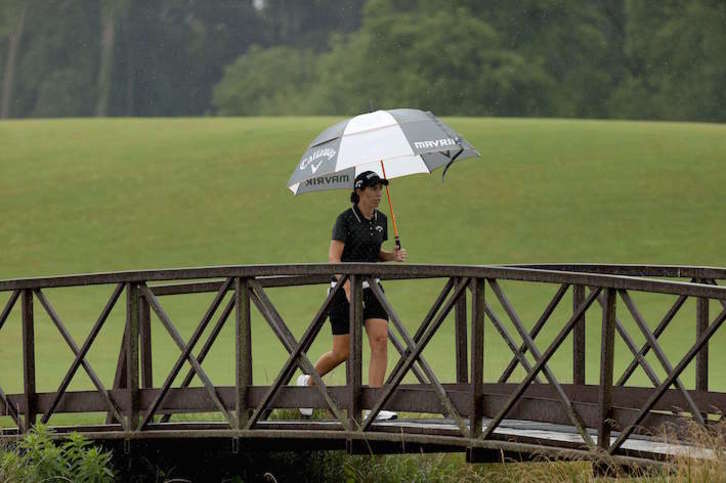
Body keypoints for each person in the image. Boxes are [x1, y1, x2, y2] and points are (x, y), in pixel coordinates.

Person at [297, 170, 408, 420]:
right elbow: (334, 258)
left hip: (373, 288)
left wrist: (392, 256)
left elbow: (374, 252)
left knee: (380, 341)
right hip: (342, 291)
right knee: (342, 352)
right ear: (359, 191)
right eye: (373, 189)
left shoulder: (381, 219)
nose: (378, 193)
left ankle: (373, 406)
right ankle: (308, 382)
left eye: (380, 188)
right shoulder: (345, 220)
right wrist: (346, 287)